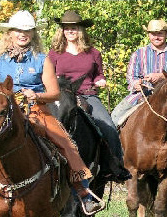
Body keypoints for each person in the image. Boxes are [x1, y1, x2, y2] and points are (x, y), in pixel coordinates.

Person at [0, 10, 104, 216]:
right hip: (1, 111)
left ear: (33, 33)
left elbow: (54, 93)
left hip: (35, 111)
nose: (22, 34)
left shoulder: (43, 59)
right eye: (18, 30)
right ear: (10, 33)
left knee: (65, 142)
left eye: (27, 30)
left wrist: (35, 95)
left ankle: (83, 192)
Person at [48, 10, 131, 182]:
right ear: (62, 30)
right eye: (67, 28)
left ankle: (114, 166)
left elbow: (98, 74)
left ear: (81, 30)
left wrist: (101, 80)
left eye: (74, 28)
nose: (70, 31)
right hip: (61, 97)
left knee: (108, 125)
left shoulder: (93, 53)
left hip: (87, 94)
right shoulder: (54, 53)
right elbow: (48, 77)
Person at [111, 19, 167, 126]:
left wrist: (162, 76)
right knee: (115, 117)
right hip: (142, 96)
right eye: (153, 34)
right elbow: (131, 76)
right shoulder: (138, 54)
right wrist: (136, 84)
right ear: (148, 35)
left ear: (166, 34)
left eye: (160, 33)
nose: (156, 37)